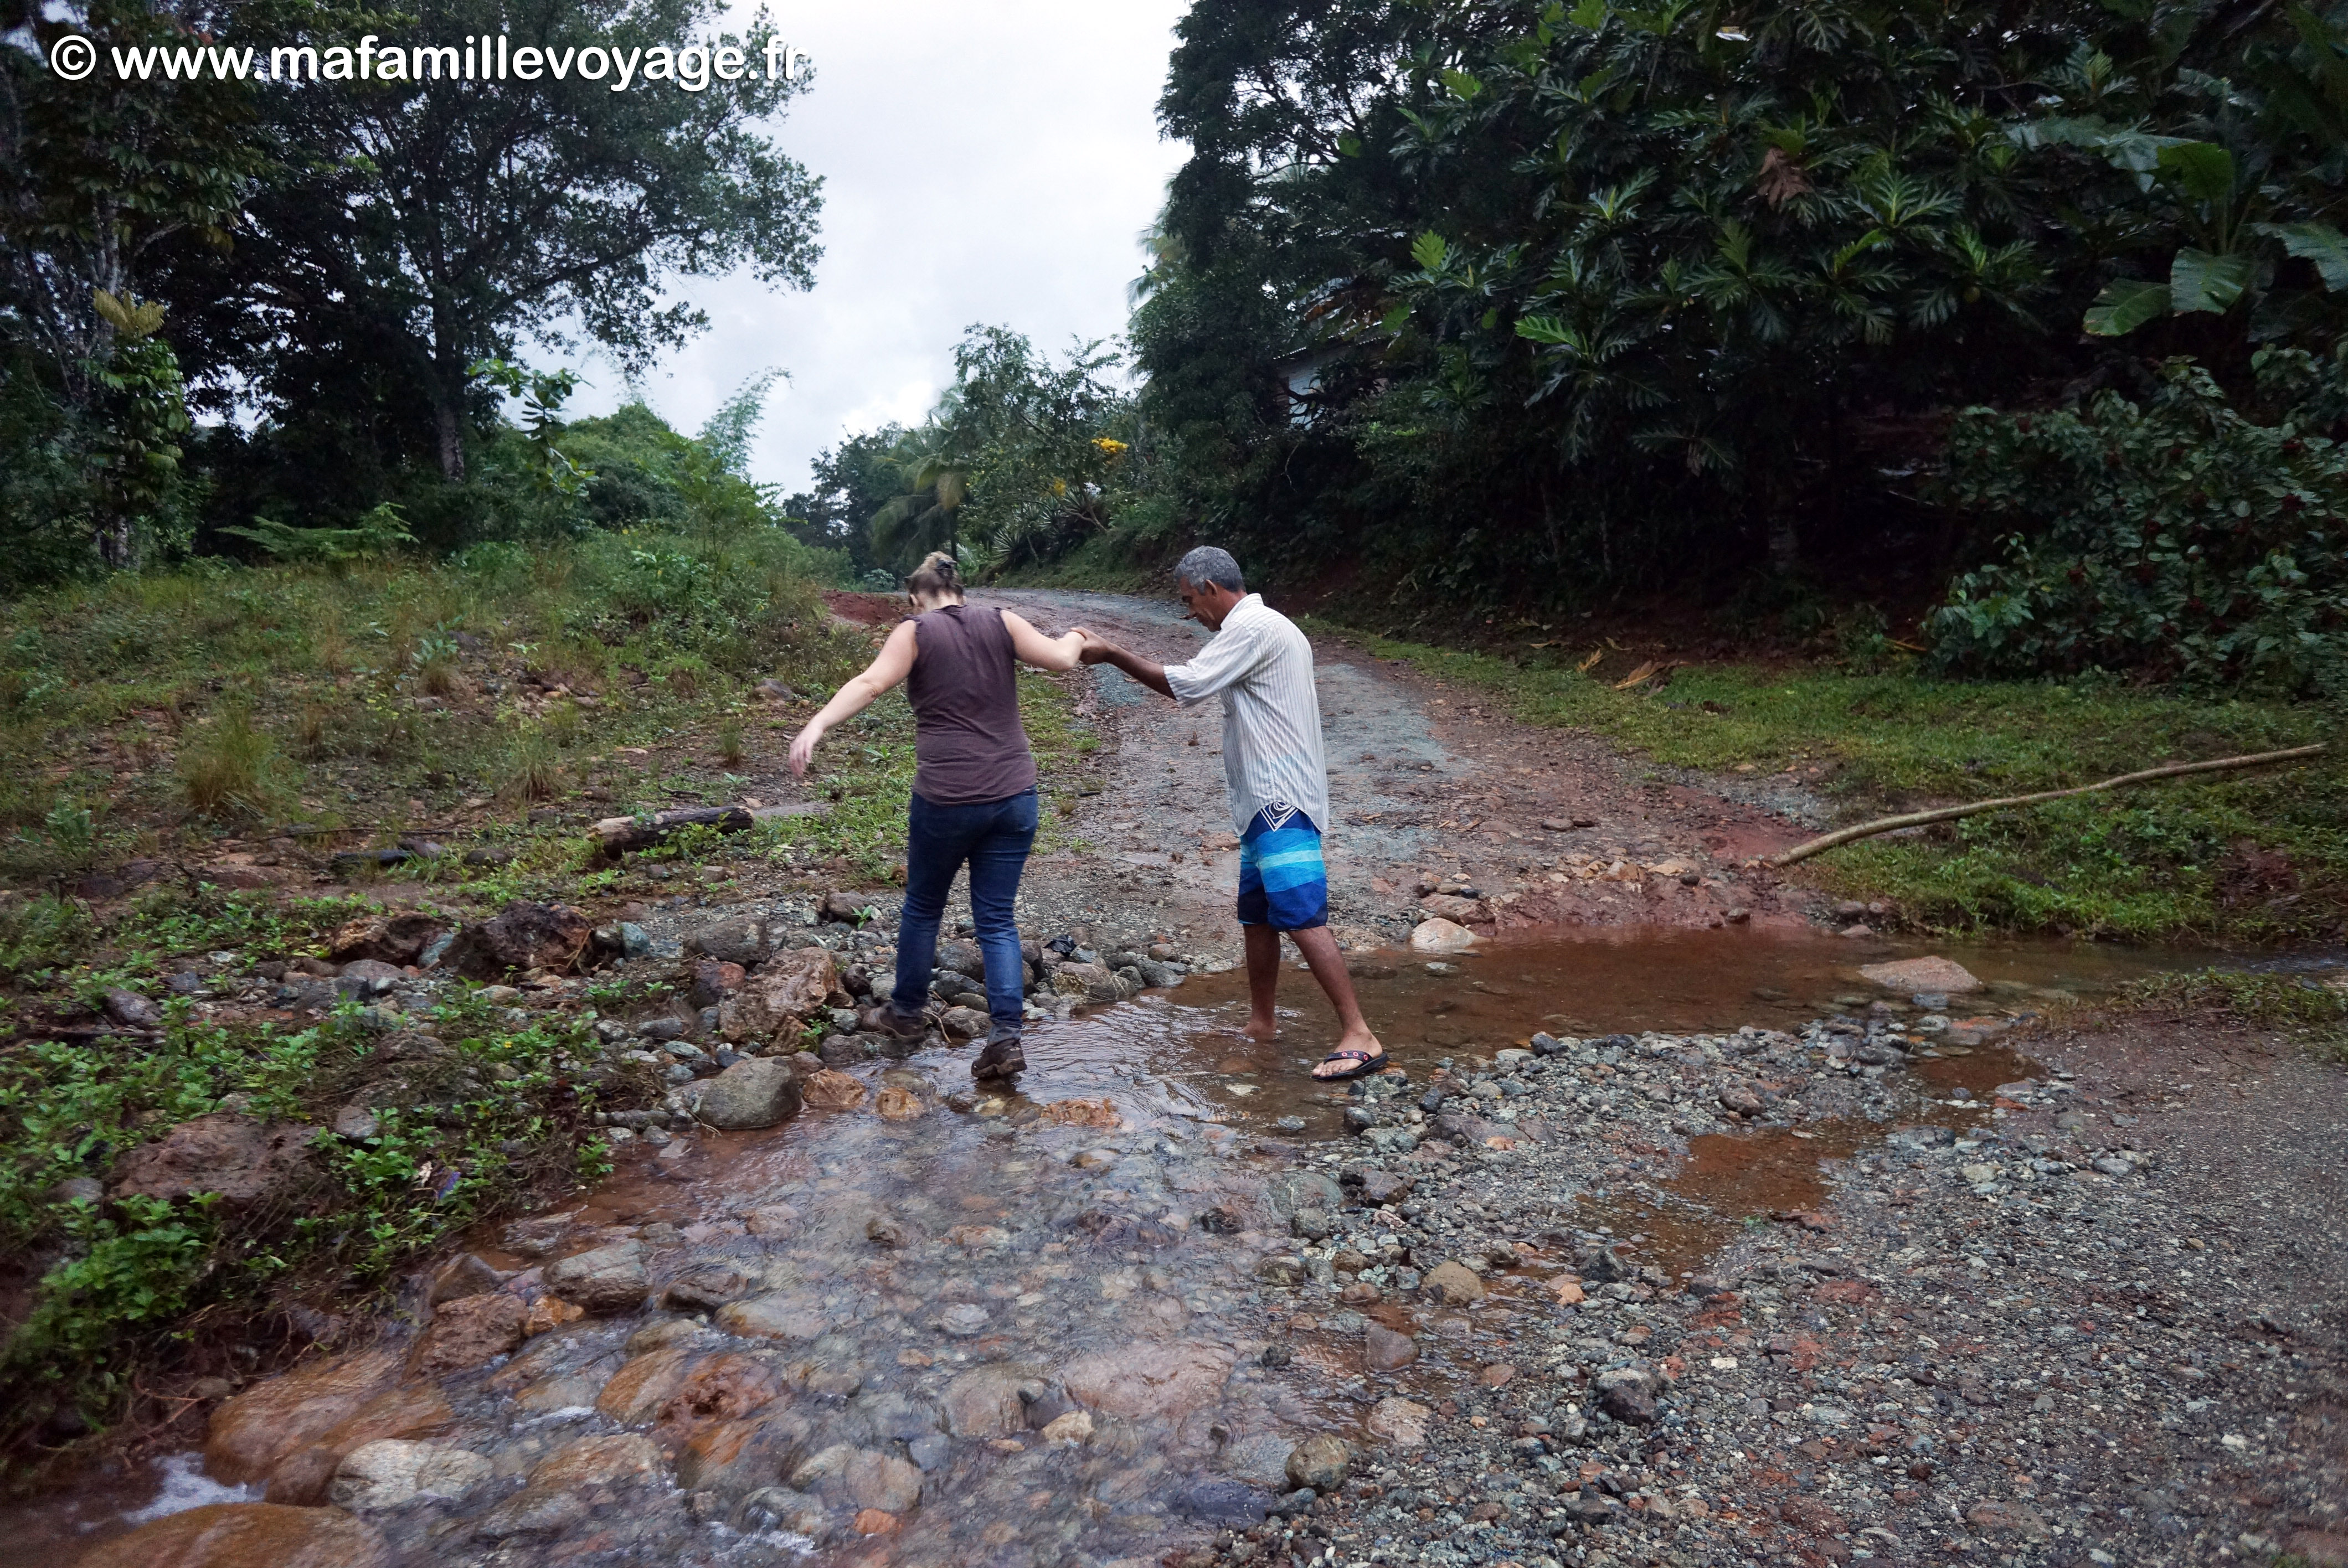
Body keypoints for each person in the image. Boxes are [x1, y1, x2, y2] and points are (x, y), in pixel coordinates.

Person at [1075, 546, 1387, 1080]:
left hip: (1279, 797)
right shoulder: (1266, 628)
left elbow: (1189, 685)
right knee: (1260, 918)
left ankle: (1360, 1033)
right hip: (1261, 801)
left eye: (1188, 602)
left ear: (1209, 588)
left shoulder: (1254, 628)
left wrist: (1112, 654)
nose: (1190, 614)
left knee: (1302, 915)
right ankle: (1262, 1022)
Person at [789, 551, 1084, 1079]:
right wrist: (1080, 637)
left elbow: (871, 684)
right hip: (1015, 796)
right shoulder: (1002, 620)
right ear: (960, 592)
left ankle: (905, 1014)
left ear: (914, 597)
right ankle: (1006, 1037)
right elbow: (1063, 660)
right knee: (996, 918)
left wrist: (817, 724)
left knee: (924, 906)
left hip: (946, 800)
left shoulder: (915, 630)